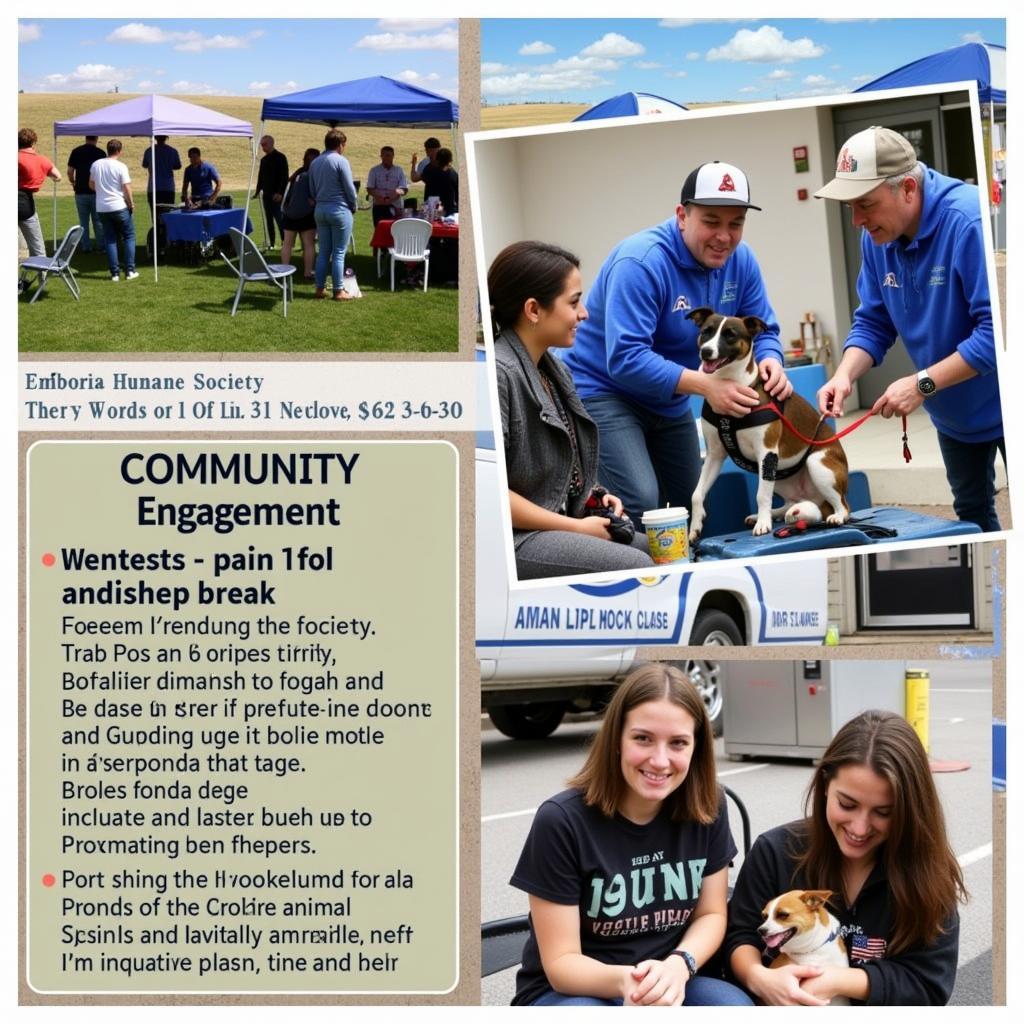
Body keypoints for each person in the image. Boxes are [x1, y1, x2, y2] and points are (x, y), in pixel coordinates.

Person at [561, 161, 791, 531]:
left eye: (736, 224)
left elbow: (765, 331)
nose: (724, 236)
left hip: (668, 399)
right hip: (603, 390)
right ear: (682, 216)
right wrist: (705, 386)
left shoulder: (742, 260)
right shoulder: (641, 262)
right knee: (639, 497)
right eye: (711, 221)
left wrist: (772, 362)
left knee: (689, 501)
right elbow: (625, 358)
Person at [510, 663, 752, 1006]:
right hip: (575, 990)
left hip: (672, 974)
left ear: (696, 748)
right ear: (617, 741)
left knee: (733, 1007)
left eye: (678, 743)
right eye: (643, 738)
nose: (659, 760)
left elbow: (712, 914)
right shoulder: (562, 821)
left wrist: (679, 964)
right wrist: (632, 982)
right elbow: (562, 963)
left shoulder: (709, 805)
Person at [814, 126, 1003, 532]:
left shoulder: (967, 222)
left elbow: (996, 337)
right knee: (972, 517)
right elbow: (873, 321)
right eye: (850, 207)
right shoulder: (877, 238)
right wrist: (844, 376)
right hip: (956, 417)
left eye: (865, 204)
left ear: (909, 190)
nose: (856, 221)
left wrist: (920, 386)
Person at [726, 709, 965, 1006]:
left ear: (910, 810)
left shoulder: (927, 873)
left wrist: (836, 980)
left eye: (884, 812)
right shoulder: (774, 850)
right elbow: (741, 937)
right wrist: (759, 978)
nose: (860, 828)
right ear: (825, 785)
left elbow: (929, 985)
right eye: (847, 804)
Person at [490, 241, 655, 579]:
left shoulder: (555, 370)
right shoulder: (500, 374)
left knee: (663, 551)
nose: (585, 314)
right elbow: (490, 492)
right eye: (575, 302)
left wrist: (596, 496)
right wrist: (576, 528)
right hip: (516, 539)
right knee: (640, 568)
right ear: (534, 310)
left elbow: (565, 471)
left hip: (555, 527)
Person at [308, 129, 357, 301]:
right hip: (339, 210)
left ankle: (319, 288)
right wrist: (354, 204)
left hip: (320, 210)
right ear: (340, 144)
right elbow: (350, 189)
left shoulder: (315, 162)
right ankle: (338, 290)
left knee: (323, 252)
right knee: (339, 252)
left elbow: (312, 189)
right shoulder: (341, 161)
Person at [89, 139, 137, 282]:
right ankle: (130, 270)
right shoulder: (121, 166)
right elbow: (126, 187)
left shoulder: (96, 164)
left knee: (110, 239)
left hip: (102, 207)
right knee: (129, 236)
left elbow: (91, 184)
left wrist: (102, 192)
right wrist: (131, 203)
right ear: (119, 151)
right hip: (118, 205)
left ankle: (115, 273)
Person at [18, 127, 61, 258]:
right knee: (37, 245)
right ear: (33, 142)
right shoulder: (41, 159)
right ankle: (42, 276)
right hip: (26, 204)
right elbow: (58, 176)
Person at [281, 147, 319, 280]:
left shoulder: (298, 173)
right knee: (308, 244)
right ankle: (308, 272)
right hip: (306, 215)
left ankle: (284, 271)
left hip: (290, 213)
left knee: (287, 244)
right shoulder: (314, 175)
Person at [66, 135, 105, 253]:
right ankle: (101, 246)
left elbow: (70, 171)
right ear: (96, 138)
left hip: (80, 191)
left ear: (86, 138)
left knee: (83, 222)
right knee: (98, 221)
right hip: (96, 192)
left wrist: (73, 182)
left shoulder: (76, 151)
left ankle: (86, 246)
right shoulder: (101, 153)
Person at [253, 134, 288, 248]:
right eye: (261, 145)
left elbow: (284, 177)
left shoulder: (281, 157)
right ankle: (272, 243)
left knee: (280, 220)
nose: (262, 147)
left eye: (264, 145)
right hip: (266, 196)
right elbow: (261, 177)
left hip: (277, 196)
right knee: (269, 221)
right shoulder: (263, 160)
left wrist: (280, 193)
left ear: (271, 143)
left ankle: (285, 242)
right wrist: (258, 191)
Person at [366, 145, 408, 225]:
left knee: (395, 231)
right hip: (379, 206)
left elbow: (404, 189)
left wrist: (397, 192)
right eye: (383, 155)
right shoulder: (374, 170)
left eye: (388, 155)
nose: (386, 158)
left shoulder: (399, 170)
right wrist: (379, 197)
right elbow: (370, 188)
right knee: (380, 232)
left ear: (393, 156)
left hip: (396, 206)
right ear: (381, 156)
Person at [141, 135, 181, 211]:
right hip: (168, 187)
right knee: (168, 213)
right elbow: (178, 166)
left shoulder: (149, 151)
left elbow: (144, 164)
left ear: (155, 138)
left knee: (155, 214)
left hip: (153, 186)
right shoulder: (173, 151)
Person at [420, 147, 458, 214]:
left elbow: (422, 177)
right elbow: (458, 196)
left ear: (437, 159)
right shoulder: (453, 175)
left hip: (431, 210)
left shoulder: (429, 171)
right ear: (450, 160)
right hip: (448, 211)